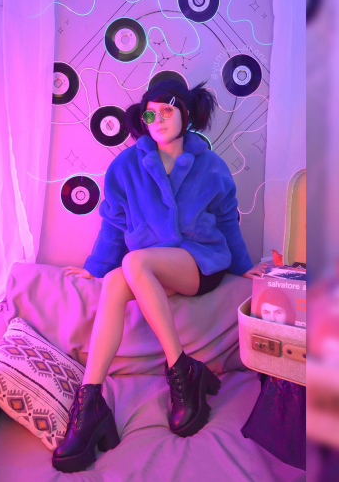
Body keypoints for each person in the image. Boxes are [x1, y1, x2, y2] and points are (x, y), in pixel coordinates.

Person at [52, 79, 268, 473]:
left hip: (200, 261)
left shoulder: (210, 166)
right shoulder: (125, 166)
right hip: (149, 267)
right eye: (151, 113)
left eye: (167, 110)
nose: (159, 120)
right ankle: (90, 402)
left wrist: (242, 265)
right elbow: (114, 225)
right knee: (116, 279)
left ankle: (181, 370)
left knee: (134, 264)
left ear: (185, 113)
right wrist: (95, 268)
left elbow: (226, 220)